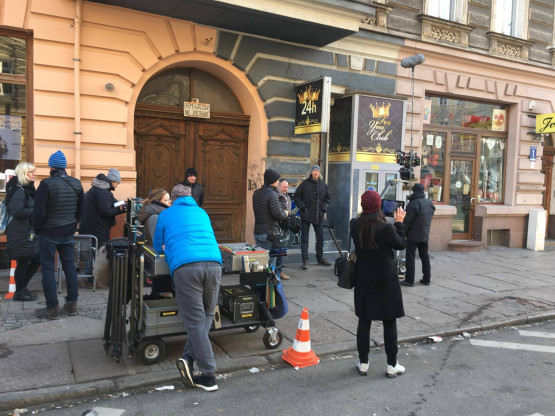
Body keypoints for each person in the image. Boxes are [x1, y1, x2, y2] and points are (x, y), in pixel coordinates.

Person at [154, 184, 222, 392]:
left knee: (194, 321)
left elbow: (157, 246)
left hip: (186, 267)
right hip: (214, 264)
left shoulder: (166, 214)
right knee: (207, 314)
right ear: (191, 198)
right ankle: (188, 358)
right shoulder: (202, 212)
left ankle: (208, 375)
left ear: (173, 200)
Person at [350, 190, 406, 378]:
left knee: (364, 320)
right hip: (385, 279)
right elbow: (401, 244)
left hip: (364, 278)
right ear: (378, 206)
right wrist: (399, 223)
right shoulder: (386, 228)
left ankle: (363, 363)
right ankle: (392, 365)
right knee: (389, 321)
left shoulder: (354, 225)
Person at [32, 150, 84, 320]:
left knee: (48, 269)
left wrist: (37, 229)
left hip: (48, 232)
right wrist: (72, 225)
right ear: (64, 167)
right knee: (70, 268)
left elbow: (39, 212)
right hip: (67, 231)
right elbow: (81, 211)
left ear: (52, 167)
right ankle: (72, 305)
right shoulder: (77, 183)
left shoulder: (46, 184)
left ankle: (52, 308)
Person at [5, 162, 40, 301]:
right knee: (24, 261)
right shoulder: (19, 190)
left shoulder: (27, 189)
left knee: (36, 259)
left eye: (34, 171)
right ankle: (19, 292)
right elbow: (17, 211)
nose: (34, 174)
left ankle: (22, 288)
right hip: (19, 232)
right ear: (23, 173)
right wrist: (36, 210)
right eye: (30, 172)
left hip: (26, 230)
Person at [293, 165, 331, 270]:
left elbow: (327, 199)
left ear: (319, 173)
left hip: (319, 215)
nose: (316, 172)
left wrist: (323, 209)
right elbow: (297, 197)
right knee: (305, 238)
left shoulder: (323, 185)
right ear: (311, 172)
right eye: (314, 171)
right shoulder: (304, 184)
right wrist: (303, 207)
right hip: (306, 215)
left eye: (317, 171)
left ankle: (320, 257)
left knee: (320, 238)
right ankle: (305, 259)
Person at [79, 168, 125, 248]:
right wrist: (120, 210)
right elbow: (106, 211)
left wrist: (123, 205)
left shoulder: (99, 189)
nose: (116, 186)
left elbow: (113, 202)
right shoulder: (103, 192)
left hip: (91, 229)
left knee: (91, 253)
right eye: (117, 183)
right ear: (112, 181)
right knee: (99, 253)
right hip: (97, 231)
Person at [401, 183, 436, 287]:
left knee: (410, 257)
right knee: (425, 257)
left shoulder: (413, 204)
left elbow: (407, 221)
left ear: (414, 191)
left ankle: (409, 280)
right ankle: (427, 279)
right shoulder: (429, 203)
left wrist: (401, 232)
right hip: (424, 234)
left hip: (413, 236)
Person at [252, 169, 288, 266]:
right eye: (277, 180)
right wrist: (285, 213)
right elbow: (278, 214)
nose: (278, 182)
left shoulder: (256, 193)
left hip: (258, 232)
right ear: (272, 181)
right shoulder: (272, 194)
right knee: (270, 264)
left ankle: (261, 276)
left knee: (260, 262)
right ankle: (270, 276)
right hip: (270, 233)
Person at [276, 178, 291, 280]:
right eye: (284, 186)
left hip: (285, 226)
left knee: (281, 250)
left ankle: (279, 271)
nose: (286, 188)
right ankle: (278, 271)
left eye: (287, 187)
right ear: (279, 186)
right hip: (278, 227)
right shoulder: (276, 196)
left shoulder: (287, 197)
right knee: (277, 250)